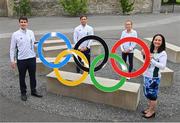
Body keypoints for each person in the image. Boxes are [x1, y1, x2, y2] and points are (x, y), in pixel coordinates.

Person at [10, 16, 42, 101]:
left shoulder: (31, 32)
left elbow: (34, 43)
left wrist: (40, 43)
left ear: (27, 23)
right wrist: (12, 60)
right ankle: (23, 93)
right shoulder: (15, 34)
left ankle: (33, 91)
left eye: (24, 22)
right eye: (21, 22)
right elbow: (12, 48)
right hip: (21, 59)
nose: (23, 23)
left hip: (32, 58)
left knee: (32, 76)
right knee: (22, 77)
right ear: (19, 23)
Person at [141, 34, 167, 118]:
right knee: (147, 94)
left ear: (162, 42)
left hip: (154, 78)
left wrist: (152, 59)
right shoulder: (150, 50)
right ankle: (149, 108)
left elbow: (162, 66)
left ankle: (152, 111)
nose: (157, 41)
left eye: (159, 40)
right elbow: (146, 61)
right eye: (156, 39)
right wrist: (144, 55)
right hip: (146, 75)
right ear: (153, 41)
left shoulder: (163, 53)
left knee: (153, 96)